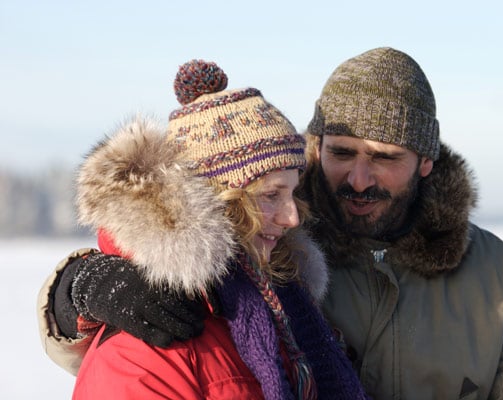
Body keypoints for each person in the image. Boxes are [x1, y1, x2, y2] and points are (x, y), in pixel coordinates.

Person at [38, 48, 503, 399]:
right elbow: (161, 261)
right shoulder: (279, 249)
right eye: (342, 151)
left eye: (385, 157)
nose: (358, 178)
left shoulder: (502, 278)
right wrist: (74, 291)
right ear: (314, 147)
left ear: (426, 160)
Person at [38, 58, 369, 399]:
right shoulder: (149, 340)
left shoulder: (286, 309)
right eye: (270, 195)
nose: (292, 218)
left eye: (293, 193)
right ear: (215, 202)